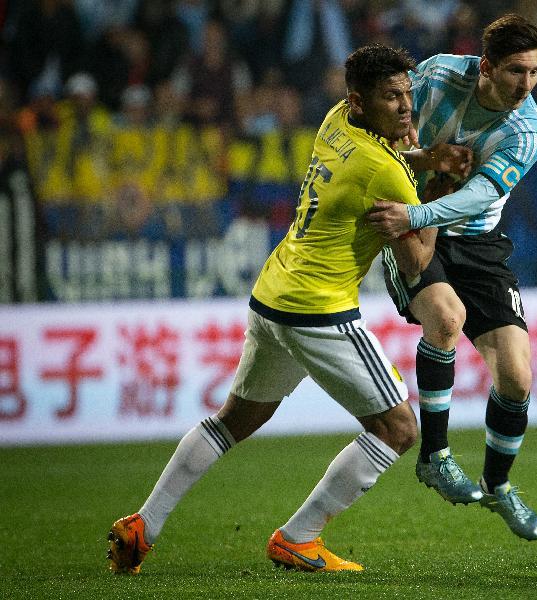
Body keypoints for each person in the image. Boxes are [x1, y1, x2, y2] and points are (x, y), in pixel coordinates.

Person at [106, 44, 469, 574]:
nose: (406, 107)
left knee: (234, 419)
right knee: (398, 428)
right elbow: (416, 261)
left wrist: (423, 159)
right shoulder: (384, 171)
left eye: (407, 94)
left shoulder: (336, 121)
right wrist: (440, 190)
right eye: (392, 97)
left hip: (273, 294)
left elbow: (379, 165)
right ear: (361, 102)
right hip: (319, 310)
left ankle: (144, 524)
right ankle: (300, 536)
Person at [367, 14, 537, 541]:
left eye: (535, 72)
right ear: (487, 66)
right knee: (447, 319)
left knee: (517, 379)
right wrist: (416, 196)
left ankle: (498, 486)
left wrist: (418, 214)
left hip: (475, 241)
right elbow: (386, 136)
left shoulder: (529, 131)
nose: (527, 85)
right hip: (415, 228)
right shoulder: (439, 75)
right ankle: (435, 456)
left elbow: (483, 193)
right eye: (517, 71)